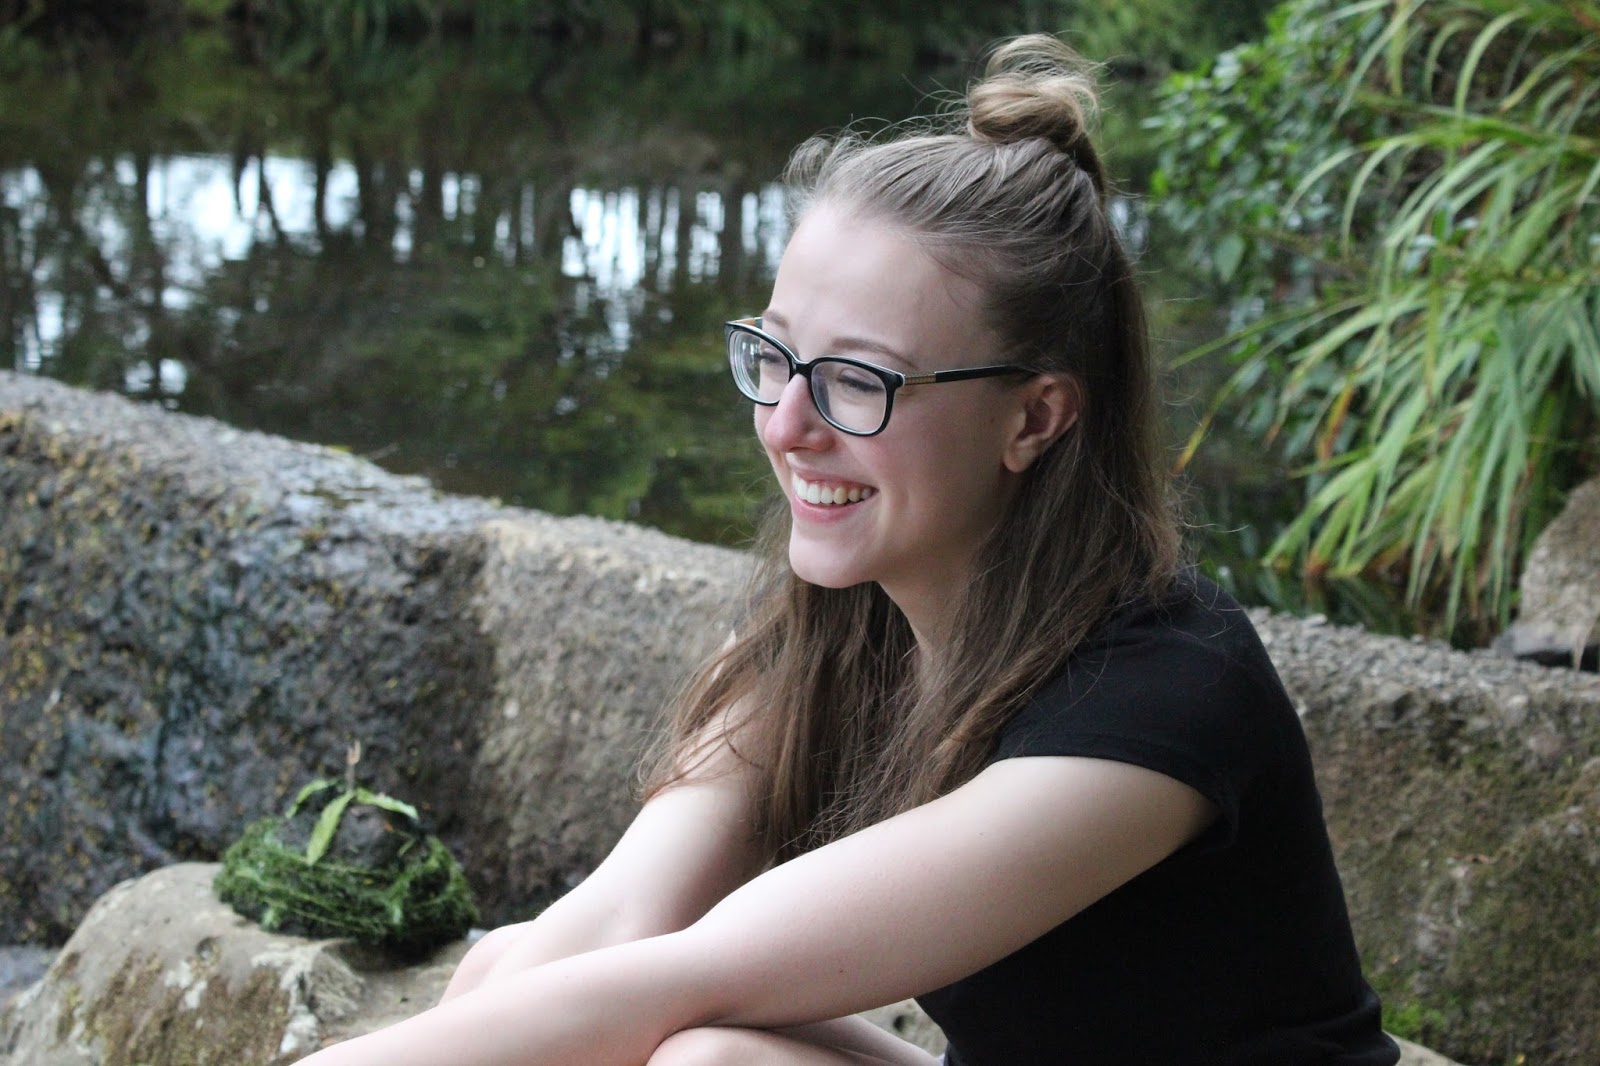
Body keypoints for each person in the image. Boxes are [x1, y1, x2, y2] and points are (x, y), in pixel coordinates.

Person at [297, 35, 1400, 1066]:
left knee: (703, 1056)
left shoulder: (1159, 703)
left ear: (1035, 418)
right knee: (509, 963)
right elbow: (622, 914)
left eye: (856, 381)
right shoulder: (842, 628)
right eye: (775, 356)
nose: (786, 425)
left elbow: (691, 973)